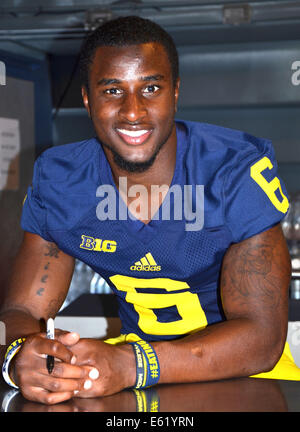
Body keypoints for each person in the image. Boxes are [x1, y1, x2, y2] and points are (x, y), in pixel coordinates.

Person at [0, 16, 298, 405]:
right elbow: (22, 308)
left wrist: (133, 364)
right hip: (134, 377)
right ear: (87, 99)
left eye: (151, 88)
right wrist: (20, 354)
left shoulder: (231, 170)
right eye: (112, 91)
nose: (133, 111)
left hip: (243, 372)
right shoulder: (61, 180)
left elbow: (262, 340)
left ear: (175, 93)